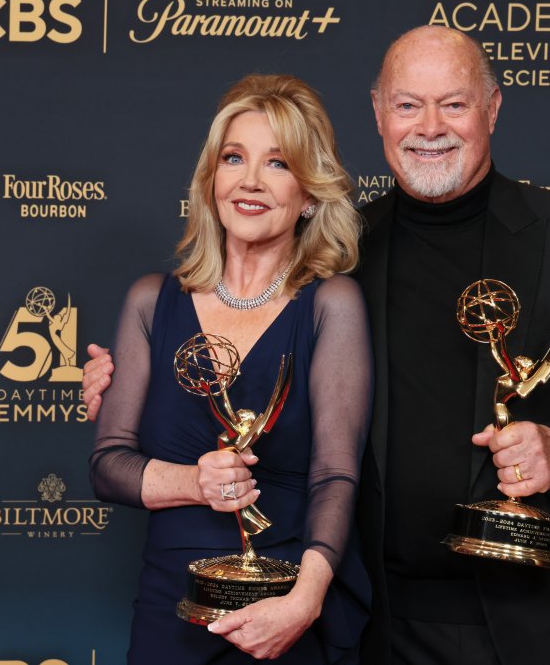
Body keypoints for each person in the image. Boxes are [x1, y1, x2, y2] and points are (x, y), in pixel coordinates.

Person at [86, 27, 550, 664]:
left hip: (543, 618)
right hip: (383, 623)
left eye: (453, 104)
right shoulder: (340, 257)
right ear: (378, 113)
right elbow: (254, 368)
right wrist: (131, 380)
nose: (429, 126)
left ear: (493, 107)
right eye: (408, 105)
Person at [89, 74, 372, 664]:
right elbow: (108, 467)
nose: (249, 181)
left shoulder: (330, 305)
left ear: (310, 194)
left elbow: (336, 476)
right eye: (234, 158)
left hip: (285, 607)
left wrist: (305, 600)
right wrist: (197, 482)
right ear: (210, 178)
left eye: (278, 164)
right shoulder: (151, 300)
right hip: (171, 608)